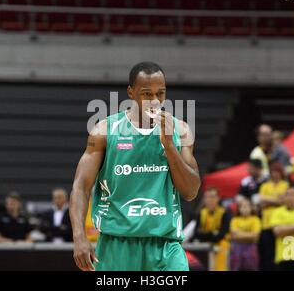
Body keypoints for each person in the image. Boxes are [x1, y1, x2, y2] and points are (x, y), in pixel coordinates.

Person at [69, 62, 200, 271]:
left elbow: (191, 191)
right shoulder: (103, 131)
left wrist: (168, 145)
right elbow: (81, 186)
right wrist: (78, 236)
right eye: (147, 94)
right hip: (117, 243)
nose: (155, 101)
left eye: (161, 93)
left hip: (165, 246)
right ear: (131, 92)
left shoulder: (181, 130)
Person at [257, 162, 289, 271]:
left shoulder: (285, 185)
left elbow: (285, 201)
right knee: (267, 253)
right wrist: (277, 200)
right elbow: (260, 201)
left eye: (277, 172)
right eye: (273, 172)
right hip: (266, 224)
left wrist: (268, 200)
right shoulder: (264, 186)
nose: (275, 174)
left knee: (281, 252)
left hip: (281, 224)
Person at [191, 187, 231, 271]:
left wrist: (205, 234)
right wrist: (212, 234)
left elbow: (222, 234)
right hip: (204, 246)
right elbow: (196, 233)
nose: (210, 200)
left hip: (221, 245)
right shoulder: (201, 213)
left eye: (212, 196)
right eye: (207, 197)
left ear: (218, 198)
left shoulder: (224, 212)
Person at [229, 199, 261, 271]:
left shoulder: (255, 219)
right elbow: (234, 235)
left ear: (251, 208)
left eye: (247, 206)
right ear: (239, 208)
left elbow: (256, 236)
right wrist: (250, 235)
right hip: (237, 249)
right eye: (243, 206)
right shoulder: (235, 220)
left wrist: (239, 234)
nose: (245, 208)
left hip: (251, 248)